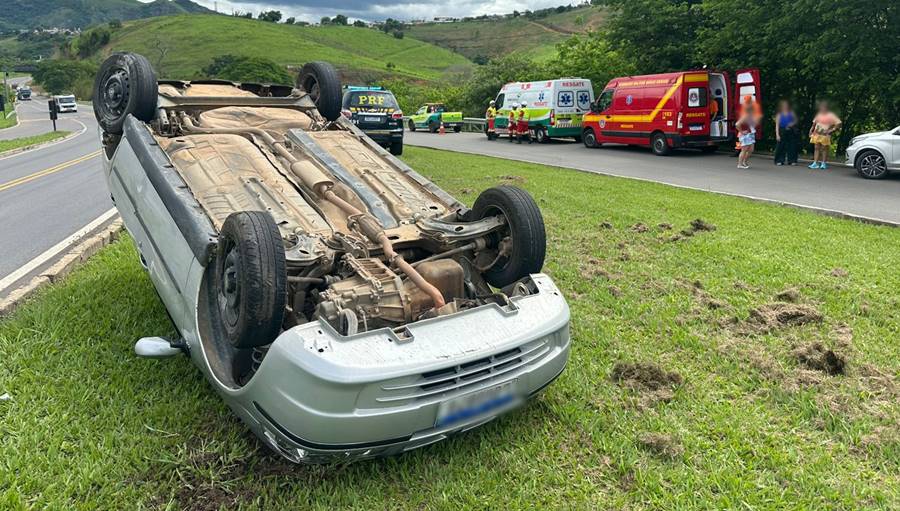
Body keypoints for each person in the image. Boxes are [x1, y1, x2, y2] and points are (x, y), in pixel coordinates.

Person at [807, 100, 841, 169]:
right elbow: (814, 124)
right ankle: (815, 163)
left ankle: (823, 163)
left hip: (825, 134)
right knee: (816, 148)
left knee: (824, 148)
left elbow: (839, 123)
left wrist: (832, 130)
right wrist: (811, 130)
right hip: (816, 133)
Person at [773, 100, 798, 165]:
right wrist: (777, 134)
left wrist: (791, 124)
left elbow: (795, 121)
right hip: (782, 130)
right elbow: (777, 125)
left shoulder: (791, 113)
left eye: (786, 105)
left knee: (792, 145)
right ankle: (779, 160)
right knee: (781, 146)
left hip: (790, 130)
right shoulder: (779, 114)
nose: (785, 107)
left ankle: (792, 160)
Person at [735, 99, 757, 169]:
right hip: (745, 135)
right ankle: (740, 164)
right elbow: (737, 124)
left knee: (751, 150)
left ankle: (744, 161)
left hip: (751, 134)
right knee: (744, 150)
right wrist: (742, 132)